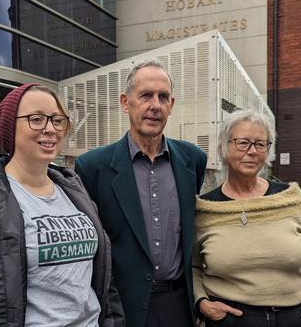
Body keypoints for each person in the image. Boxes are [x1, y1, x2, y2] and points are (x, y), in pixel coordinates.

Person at [0, 84, 124, 326]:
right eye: (36, 119)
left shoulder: (75, 192)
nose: (50, 129)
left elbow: (103, 277)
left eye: (57, 120)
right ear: (10, 127)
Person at [75, 60, 208, 327]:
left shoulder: (192, 160)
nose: (155, 105)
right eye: (145, 95)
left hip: (178, 308)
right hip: (121, 309)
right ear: (126, 102)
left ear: (171, 105)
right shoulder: (92, 168)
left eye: (163, 97)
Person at [193, 110, 301, 327]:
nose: (252, 151)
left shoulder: (289, 199)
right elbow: (193, 266)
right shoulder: (206, 208)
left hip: (295, 320)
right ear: (224, 147)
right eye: (243, 142)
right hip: (232, 321)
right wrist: (202, 303)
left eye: (260, 144)